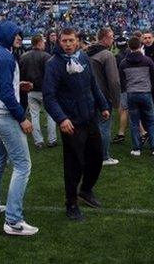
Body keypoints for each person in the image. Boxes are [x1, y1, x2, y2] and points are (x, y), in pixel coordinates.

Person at [43, 28, 110, 222]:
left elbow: (93, 85)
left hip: (89, 117)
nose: (68, 44)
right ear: (59, 42)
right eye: (64, 41)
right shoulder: (53, 64)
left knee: (96, 157)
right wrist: (61, 118)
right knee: (74, 165)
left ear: (77, 41)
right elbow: (49, 96)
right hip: (71, 122)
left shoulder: (83, 58)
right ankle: (71, 203)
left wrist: (103, 105)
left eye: (71, 40)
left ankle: (86, 190)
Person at [0, 20, 38, 236]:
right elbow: (5, 93)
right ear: (5, 34)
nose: (18, 37)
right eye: (15, 33)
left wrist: (18, 85)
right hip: (4, 116)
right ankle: (13, 221)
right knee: (23, 165)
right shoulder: (5, 56)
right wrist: (21, 117)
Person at [119, 37, 154, 157]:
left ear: (129, 47)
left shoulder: (124, 63)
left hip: (131, 94)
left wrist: (126, 90)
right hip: (145, 92)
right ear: (140, 46)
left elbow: (122, 80)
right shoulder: (147, 60)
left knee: (134, 121)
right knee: (151, 120)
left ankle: (136, 149)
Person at [86, 28, 122, 165]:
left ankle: (91, 154)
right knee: (104, 127)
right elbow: (114, 81)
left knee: (93, 127)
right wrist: (117, 101)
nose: (113, 40)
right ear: (105, 38)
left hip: (89, 95)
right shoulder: (107, 55)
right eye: (112, 37)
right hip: (103, 96)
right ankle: (103, 157)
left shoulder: (87, 53)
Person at [19, 34, 56, 149]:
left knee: (34, 116)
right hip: (45, 90)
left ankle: (38, 141)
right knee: (50, 115)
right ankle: (52, 140)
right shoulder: (47, 56)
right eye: (43, 42)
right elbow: (52, 75)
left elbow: (21, 74)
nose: (44, 43)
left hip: (31, 90)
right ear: (39, 43)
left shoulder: (24, 57)